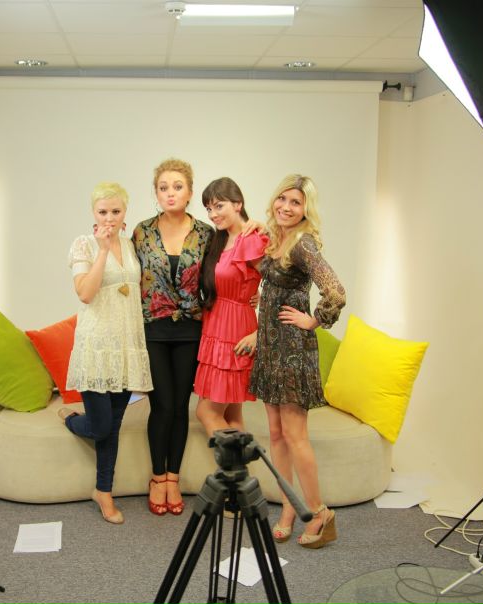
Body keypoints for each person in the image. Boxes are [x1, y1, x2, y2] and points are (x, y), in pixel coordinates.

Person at [249, 174, 346, 549]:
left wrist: (315, 320)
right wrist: (264, 300)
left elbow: (335, 291)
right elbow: (278, 284)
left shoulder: (304, 242)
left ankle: (319, 512)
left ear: (306, 209)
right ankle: (290, 506)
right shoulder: (277, 239)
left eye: (296, 202)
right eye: (283, 199)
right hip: (270, 347)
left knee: (295, 436)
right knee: (275, 434)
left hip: (292, 350)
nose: (286, 207)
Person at [60, 181, 152, 525]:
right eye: (103, 212)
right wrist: (101, 250)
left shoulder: (131, 245)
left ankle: (103, 491)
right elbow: (85, 293)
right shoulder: (83, 245)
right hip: (97, 347)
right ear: (93, 213)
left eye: (116, 211)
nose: (109, 218)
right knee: (99, 427)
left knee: (113, 426)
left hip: (126, 346)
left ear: (125, 212)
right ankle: (71, 419)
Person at [132, 158, 212, 516]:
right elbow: (129, 276)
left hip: (192, 330)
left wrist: (250, 295)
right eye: (163, 187)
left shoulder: (206, 233)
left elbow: (219, 277)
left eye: (177, 186)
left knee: (180, 406)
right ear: (156, 193)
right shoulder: (142, 232)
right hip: (153, 328)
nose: (170, 193)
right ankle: (157, 476)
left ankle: (173, 478)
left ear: (190, 192)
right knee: (161, 405)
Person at [193, 177, 268, 437]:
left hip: (236, 332)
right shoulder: (221, 239)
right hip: (216, 326)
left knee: (206, 412)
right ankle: (245, 464)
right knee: (231, 415)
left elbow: (280, 288)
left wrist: (259, 333)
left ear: (238, 204)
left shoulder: (252, 239)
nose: (213, 214)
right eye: (208, 208)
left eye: (219, 206)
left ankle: (238, 463)